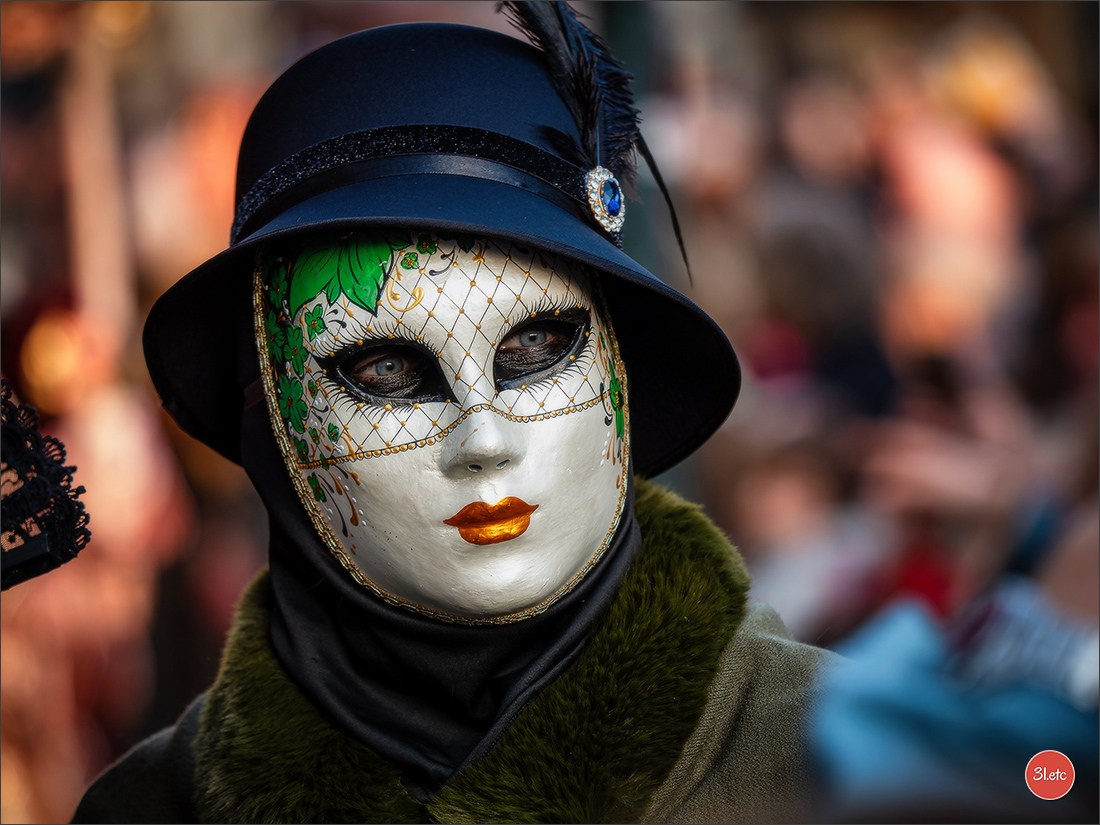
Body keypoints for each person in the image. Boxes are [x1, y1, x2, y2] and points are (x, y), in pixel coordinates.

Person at [73, 4, 832, 822]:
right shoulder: (147, 809)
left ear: (621, 369)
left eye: (537, 345)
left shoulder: (844, 762)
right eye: (387, 370)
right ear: (274, 420)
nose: (484, 440)